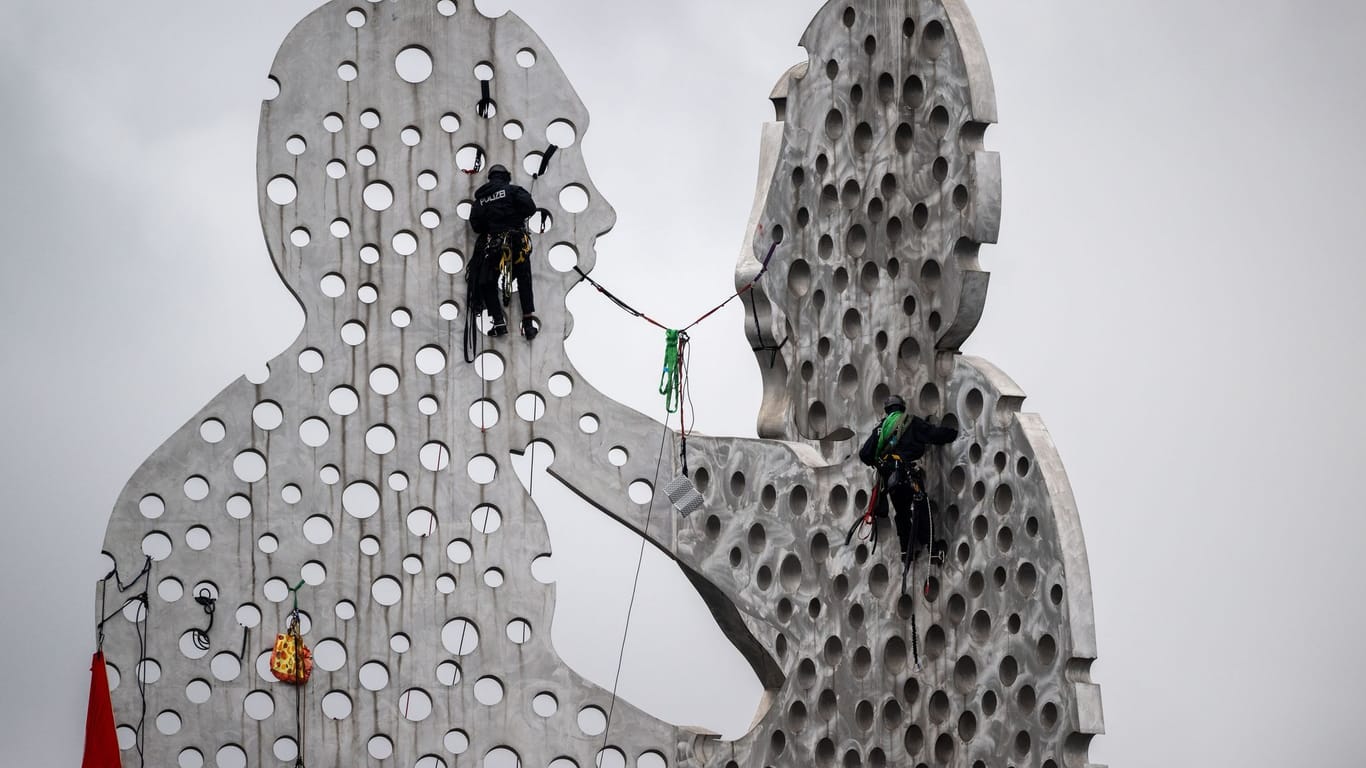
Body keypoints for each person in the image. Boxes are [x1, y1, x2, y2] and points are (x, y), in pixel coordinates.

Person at [858, 395, 958, 570]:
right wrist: (955, 434)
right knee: (923, 507)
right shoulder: (912, 422)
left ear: (887, 410)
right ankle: (933, 550)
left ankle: (906, 552)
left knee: (902, 513)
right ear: (902, 408)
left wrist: (881, 464)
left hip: (891, 480)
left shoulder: (881, 429)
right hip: (909, 475)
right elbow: (934, 434)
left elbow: (865, 454)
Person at [468, 164, 538, 338]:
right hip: (517, 242)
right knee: (524, 279)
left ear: (490, 179)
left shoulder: (481, 199)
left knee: (486, 280)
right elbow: (530, 208)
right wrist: (515, 216)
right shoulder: (513, 191)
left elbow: (476, 226)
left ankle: (498, 322)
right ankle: (528, 324)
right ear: (506, 176)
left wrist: (492, 224)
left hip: (495, 245)